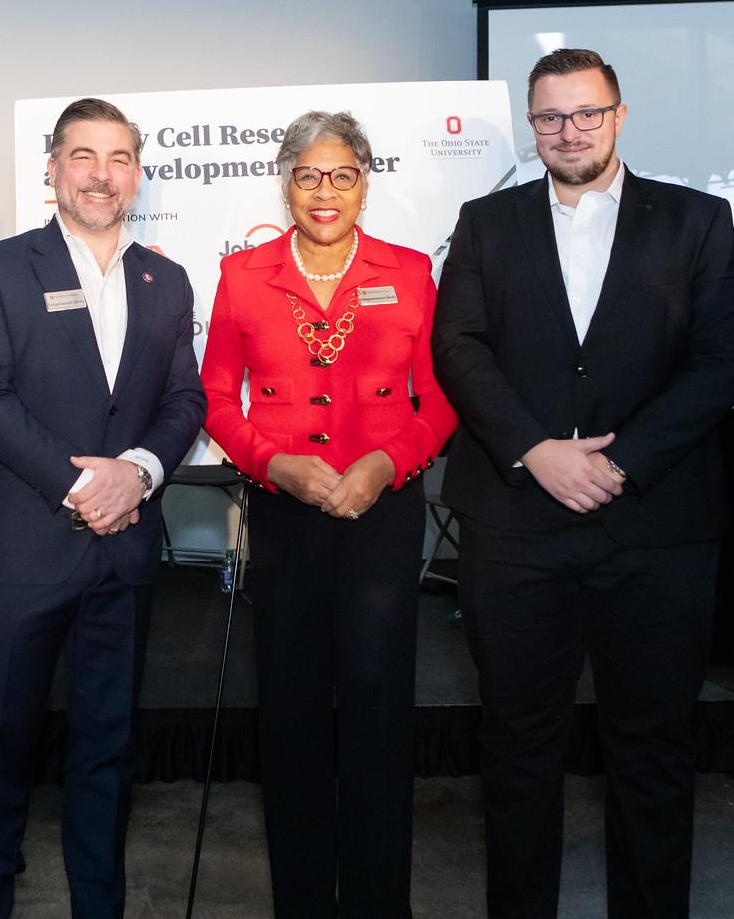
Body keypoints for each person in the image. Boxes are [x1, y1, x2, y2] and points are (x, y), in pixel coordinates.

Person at [432, 47, 734, 919]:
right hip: (514, 523)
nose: (568, 131)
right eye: (549, 116)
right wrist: (536, 449)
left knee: (652, 749)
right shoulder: (485, 221)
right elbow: (458, 347)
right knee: (518, 745)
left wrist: (622, 460)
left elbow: (724, 354)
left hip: (654, 524)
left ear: (618, 115)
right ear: (531, 124)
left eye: (586, 113)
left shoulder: (696, 220)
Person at [0, 97, 206, 919]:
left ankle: (102, 902)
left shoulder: (167, 279)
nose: (102, 173)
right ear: (51, 168)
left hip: (124, 553)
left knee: (109, 747)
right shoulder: (0, 266)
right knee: (0, 744)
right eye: (84, 155)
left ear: (137, 172)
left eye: (120, 156)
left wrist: (137, 471)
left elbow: (185, 400)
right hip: (26, 545)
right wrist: (81, 485)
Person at [199, 109, 457, 917]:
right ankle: (302, 900)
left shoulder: (410, 271)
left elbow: (443, 396)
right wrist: (272, 461)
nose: (325, 190)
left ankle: (382, 902)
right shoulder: (244, 275)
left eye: (342, 174)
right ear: (285, 179)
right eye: (308, 173)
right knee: (293, 715)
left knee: (380, 715)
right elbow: (212, 397)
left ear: (365, 183)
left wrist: (386, 463)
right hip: (286, 515)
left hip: (380, 514)